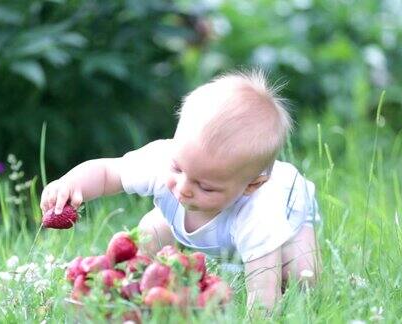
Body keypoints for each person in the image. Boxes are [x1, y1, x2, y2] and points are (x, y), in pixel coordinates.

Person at [40, 70, 321, 310]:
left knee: (301, 276)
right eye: (178, 169)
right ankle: (135, 291)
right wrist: (70, 184)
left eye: (205, 186)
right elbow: (106, 173)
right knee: (147, 236)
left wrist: (260, 310)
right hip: (192, 215)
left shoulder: (261, 212)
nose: (184, 188)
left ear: (250, 185)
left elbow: (263, 294)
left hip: (289, 208)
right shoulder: (164, 162)